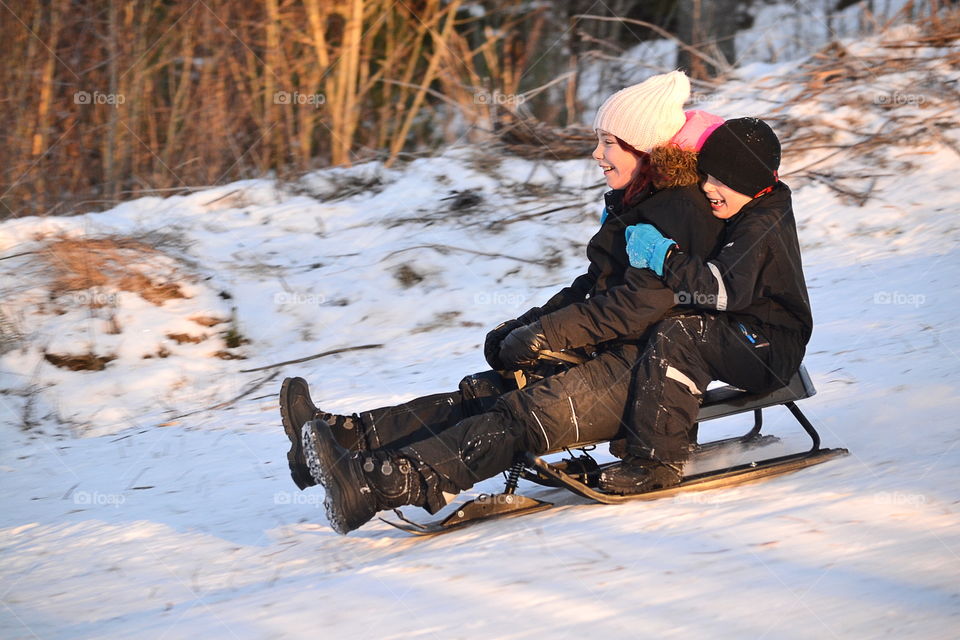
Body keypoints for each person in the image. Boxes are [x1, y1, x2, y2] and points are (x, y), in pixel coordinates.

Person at [281, 71, 727, 534]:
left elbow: (639, 305)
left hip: (652, 366)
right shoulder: (636, 202)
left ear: (643, 147)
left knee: (524, 414)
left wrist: (545, 335)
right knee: (486, 391)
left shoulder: (679, 211)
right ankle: (342, 437)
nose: (597, 153)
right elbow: (593, 285)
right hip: (616, 348)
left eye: (608, 142)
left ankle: (377, 485)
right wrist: (529, 325)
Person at [597, 117, 813, 494]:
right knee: (671, 322)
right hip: (746, 331)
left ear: (748, 181)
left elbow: (721, 290)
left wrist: (665, 256)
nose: (707, 188)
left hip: (770, 347)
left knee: (681, 335)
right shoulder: (754, 205)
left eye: (720, 181)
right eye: (706, 177)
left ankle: (657, 460)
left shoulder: (761, 225)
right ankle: (644, 435)